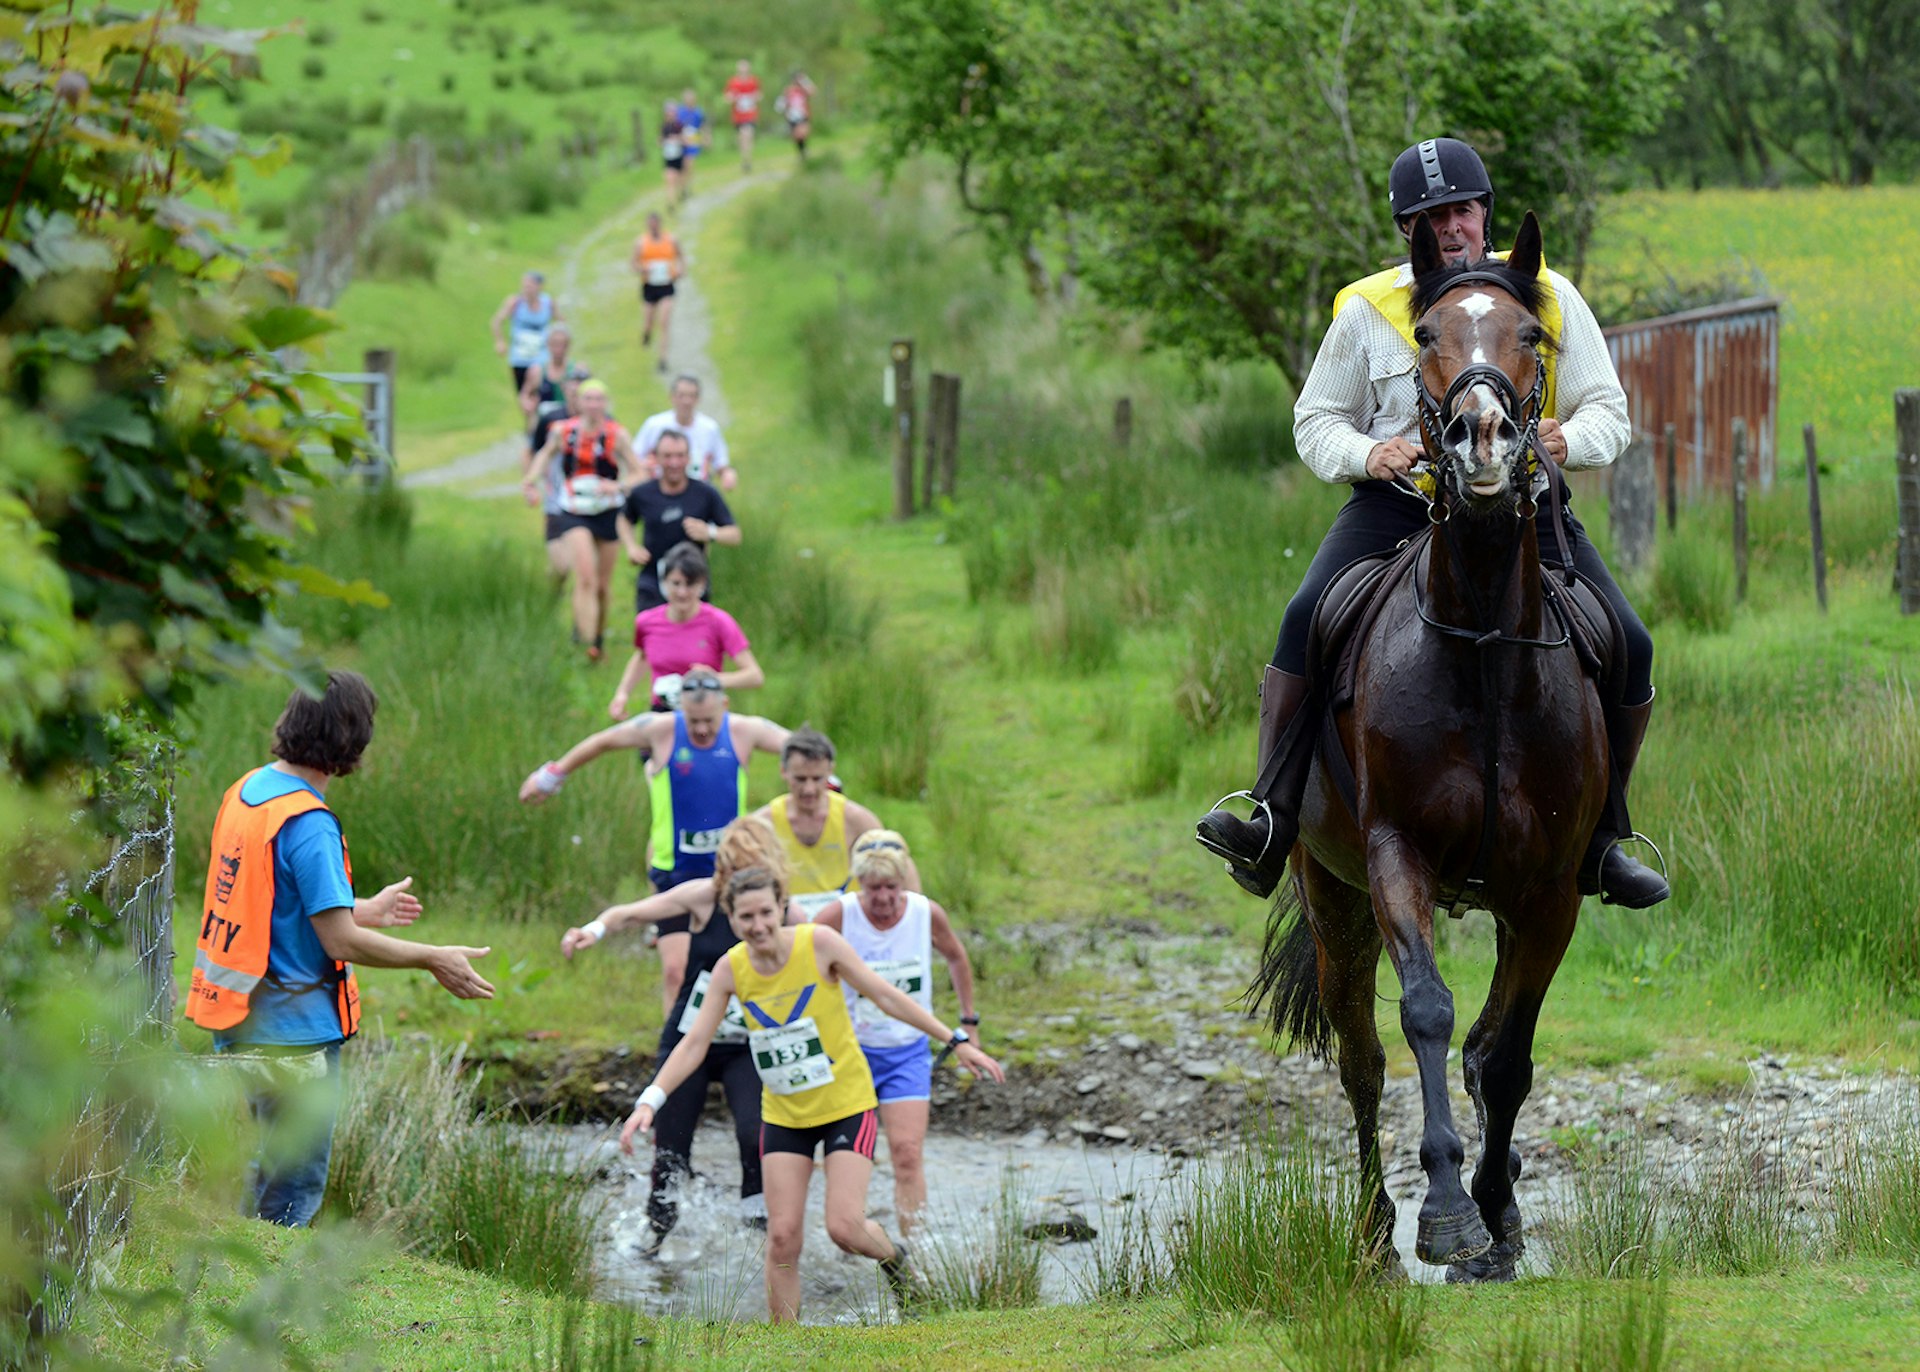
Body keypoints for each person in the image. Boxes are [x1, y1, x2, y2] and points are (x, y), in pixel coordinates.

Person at [1193, 137, 1666, 911]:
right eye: (1431, 216)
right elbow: (1315, 420)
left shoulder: (1546, 296)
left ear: (1484, 213)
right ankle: (1272, 816)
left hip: (1519, 510)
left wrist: (1566, 439)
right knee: (1305, 617)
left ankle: (1605, 837)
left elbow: (1607, 409)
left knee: (1631, 641)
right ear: (1408, 231)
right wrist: (1369, 452)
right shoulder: (1368, 311)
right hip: (1399, 507)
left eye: (1462, 210)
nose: (1451, 227)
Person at [620, 861, 1004, 1322]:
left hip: (846, 1104)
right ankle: (788, 1346)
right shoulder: (731, 969)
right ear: (732, 917)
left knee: (844, 1227)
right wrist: (650, 1100)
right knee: (782, 1239)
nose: (758, 925)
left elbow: (885, 995)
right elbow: (695, 1043)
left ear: (782, 907)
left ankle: (895, 1258)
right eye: (746, 917)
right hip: (784, 1114)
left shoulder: (819, 944)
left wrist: (956, 1040)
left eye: (766, 912)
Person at [186, 670, 494, 1227]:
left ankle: (238, 1292)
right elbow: (340, 940)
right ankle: (269, 1303)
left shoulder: (249, 791)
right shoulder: (309, 822)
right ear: (352, 740)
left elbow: (270, 900)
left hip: (237, 1015)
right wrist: (432, 957)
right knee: (293, 1183)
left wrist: (362, 908)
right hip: (293, 1032)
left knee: (262, 1166)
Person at [561, 817, 795, 1248]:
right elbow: (631, 912)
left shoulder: (781, 912)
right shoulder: (706, 897)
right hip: (689, 1039)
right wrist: (592, 930)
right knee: (671, 1146)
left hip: (746, 1045)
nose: (743, 888)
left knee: (754, 1133)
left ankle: (758, 1234)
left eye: (752, 872)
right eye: (733, 871)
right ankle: (654, 1239)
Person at [519, 678, 790, 1014]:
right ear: (681, 712)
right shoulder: (660, 730)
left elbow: (800, 746)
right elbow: (602, 741)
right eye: (693, 722)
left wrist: (825, 782)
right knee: (676, 972)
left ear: (725, 706)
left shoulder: (744, 731)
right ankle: (673, 1050)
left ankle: (736, 1047)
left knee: (736, 969)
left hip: (729, 872)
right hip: (675, 872)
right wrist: (552, 775)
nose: (703, 730)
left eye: (710, 721)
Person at [811, 830, 978, 1236]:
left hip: (906, 1052)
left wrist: (968, 1022)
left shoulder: (926, 914)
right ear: (858, 885)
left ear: (903, 882)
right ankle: (852, 1231)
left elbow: (956, 956)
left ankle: (914, 1252)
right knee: (850, 1155)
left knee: (906, 1153)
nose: (883, 899)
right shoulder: (838, 915)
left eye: (891, 887)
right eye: (872, 890)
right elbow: (803, 967)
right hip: (851, 1054)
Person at [522, 380, 642, 662]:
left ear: (606, 403)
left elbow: (640, 472)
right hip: (574, 510)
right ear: (579, 401)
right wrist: (530, 479)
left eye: (599, 399)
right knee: (585, 577)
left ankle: (598, 638)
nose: (593, 405)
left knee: (602, 586)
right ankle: (585, 643)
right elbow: (543, 455)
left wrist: (619, 486)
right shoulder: (563, 431)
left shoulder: (617, 435)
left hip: (608, 511)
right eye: (588, 398)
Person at [752, 728, 916, 918]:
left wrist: (914, 916)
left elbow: (900, 862)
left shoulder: (856, 820)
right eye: (800, 779)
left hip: (847, 923)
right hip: (789, 925)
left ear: (830, 771)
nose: (809, 789)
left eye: (817, 778)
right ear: (784, 772)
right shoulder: (763, 823)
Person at [610, 541, 763, 718]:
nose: (682, 592)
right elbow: (642, 656)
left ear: (702, 584)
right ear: (664, 582)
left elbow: (754, 676)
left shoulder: (718, 621)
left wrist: (711, 680)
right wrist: (622, 694)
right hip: (662, 713)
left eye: (690, 584)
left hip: (705, 714)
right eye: (676, 583)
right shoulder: (646, 622)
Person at [619, 428, 739, 614]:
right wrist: (631, 547)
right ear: (656, 458)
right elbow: (624, 519)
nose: (674, 463)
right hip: (653, 578)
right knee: (653, 635)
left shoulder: (705, 493)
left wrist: (709, 532)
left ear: (689, 458)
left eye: (680, 456)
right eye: (667, 456)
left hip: (693, 581)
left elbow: (735, 535)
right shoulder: (642, 493)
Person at [524, 360, 593, 590]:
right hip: (556, 502)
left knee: (586, 573)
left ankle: (583, 623)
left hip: (591, 504)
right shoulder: (552, 420)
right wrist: (530, 483)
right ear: (565, 389)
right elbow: (535, 452)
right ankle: (550, 596)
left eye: (582, 387)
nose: (577, 392)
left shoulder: (604, 422)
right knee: (562, 567)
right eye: (573, 386)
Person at [635, 374, 736, 490]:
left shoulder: (709, 428)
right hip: (660, 489)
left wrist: (728, 474)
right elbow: (635, 458)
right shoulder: (654, 425)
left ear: (698, 399)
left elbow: (721, 463)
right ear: (672, 397)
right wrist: (646, 466)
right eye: (681, 396)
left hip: (698, 489)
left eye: (691, 396)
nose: (686, 401)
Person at [490, 270, 560, 396]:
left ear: (539, 286)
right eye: (524, 286)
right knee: (522, 395)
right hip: (519, 357)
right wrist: (500, 341)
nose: (526, 289)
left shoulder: (548, 303)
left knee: (540, 392)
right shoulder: (515, 303)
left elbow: (561, 323)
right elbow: (496, 321)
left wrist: (557, 345)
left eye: (530, 285)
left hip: (542, 356)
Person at [631, 212, 683, 376]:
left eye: (655, 224)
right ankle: (646, 333)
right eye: (650, 224)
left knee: (664, 321)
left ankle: (663, 359)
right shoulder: (641, 242)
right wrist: (642, 269)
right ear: (647, 226)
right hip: (649, 285)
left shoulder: (671, 240)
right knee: (649, 321)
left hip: (666, 284)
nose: (653, 227)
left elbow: (681, 257)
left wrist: (681, 269)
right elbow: (633, 263)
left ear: (659, 224)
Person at [517, 321, 577, 428]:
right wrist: (527, 404)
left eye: (562, 345)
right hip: (544, 425)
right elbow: (525, 394)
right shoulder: (537, 371)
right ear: (548, 345)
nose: (558, 349)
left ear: (568, 346)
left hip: (569, 425)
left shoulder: (576, 370)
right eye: (555, 344)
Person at [722, 59, 761, 172]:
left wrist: (753, 97)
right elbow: (726, 97)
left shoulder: (753, 81)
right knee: (742, 137)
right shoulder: (733, 82)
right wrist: (732, 97)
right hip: (738, 115)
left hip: (750, 113)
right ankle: (745, 158)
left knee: (747, 134)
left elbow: (759, 94)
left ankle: (747, 159)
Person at [675, 88, 707, 195]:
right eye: (687, 99)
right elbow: (676, 126)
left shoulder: (698, 112)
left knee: (690, 164)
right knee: (682, 166)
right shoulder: (679, 112)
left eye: (691, 99)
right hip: (682, 141)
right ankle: (682, 188)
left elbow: (702, 126)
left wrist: (704, 138)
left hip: (693, 140)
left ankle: (688, 187)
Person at [778, 72, 815, 162]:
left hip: (803, 114)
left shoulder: (803, 90)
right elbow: (782, 103)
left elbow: (813, 91)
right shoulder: (788, 90)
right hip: (792, 116)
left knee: (803, 133)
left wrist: (806, 80)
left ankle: (804, 151)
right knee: (797, 137)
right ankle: (802, 153)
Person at [659, 100, 688, 209]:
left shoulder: (679, 126)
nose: (670, 114)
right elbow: (660, 141)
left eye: (672, 112)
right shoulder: (664, 127)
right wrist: (664, 141)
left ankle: (682, 193)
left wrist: (677, 139)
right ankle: (671, 203)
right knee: (669, 180)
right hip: (668, 157)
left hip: (678, 157)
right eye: (668, 112)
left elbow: (686, 140)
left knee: (679, 179)